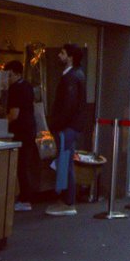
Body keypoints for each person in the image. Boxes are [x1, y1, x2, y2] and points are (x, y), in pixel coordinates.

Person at [47, 43, 86, 216]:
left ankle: (68, 202)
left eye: (62, 53)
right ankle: (66, 199)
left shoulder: (70, 77)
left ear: (70, 56)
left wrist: (56, 124)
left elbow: (68, 106)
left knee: (65, 163)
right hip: (72, 126)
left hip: (67, 127)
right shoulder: (78, 75)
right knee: (66, 162)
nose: (59, 56)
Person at [5, 61, 37, 211]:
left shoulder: (15, 89)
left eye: (9, 74)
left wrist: (2, 121)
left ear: (17, 74)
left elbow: (14, 114)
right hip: (30, 128)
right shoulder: (28, 86)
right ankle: (26, 197)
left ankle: (24, 199)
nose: (8, 78)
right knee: (25, 164)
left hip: (20, 131)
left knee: (20, 165)